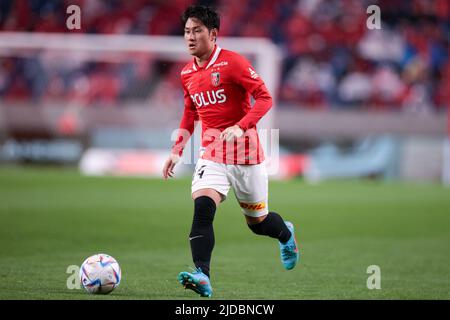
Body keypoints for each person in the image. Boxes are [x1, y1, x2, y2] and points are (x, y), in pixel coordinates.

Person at [162, 5, 300, 298]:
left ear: (212, 34)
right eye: (186, 31)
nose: (189, 37)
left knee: (259, 224)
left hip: (246, 156)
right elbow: (190, 112)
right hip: (211, 154)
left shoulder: (233, 63)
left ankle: (286, 234)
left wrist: (241, 126)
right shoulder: (187, 72)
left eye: (196, 31)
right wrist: (177, 150)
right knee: (202, 210)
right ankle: (203, 275)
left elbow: (265, 98)